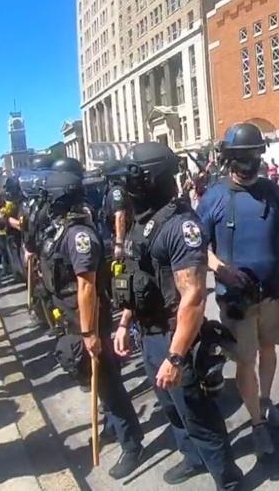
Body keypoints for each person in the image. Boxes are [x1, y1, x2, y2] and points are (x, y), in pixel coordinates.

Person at [111, 142, 242, 488]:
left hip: (175, 337)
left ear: (151, 179)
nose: (127, 188)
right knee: (172, 409)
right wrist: (125, 322)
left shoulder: (180, 226)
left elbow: (194, 297)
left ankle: (228, 480)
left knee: (196, 414)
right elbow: (138, 277)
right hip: (149, 333)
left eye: (133, 180)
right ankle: (193, 459)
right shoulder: (142, 223)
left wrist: (176, 356)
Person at [36, 170, 145, 479]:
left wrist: (89, 333)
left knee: (108, 382)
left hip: (89, 321)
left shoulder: (79, 235)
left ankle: (132, 442)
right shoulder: (62, 229)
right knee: (99, 381)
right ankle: (113, 425)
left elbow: (86, 285)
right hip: (73, 319)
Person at [197, 123, 279, 459]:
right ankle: (256, 423)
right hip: (237, 300)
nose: (249, 164)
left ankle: (265, 402)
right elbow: (198, 247)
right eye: (242, 158)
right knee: (245, 359)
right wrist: (221, 269)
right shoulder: (214, 197)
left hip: (274, 291)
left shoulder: (271, 190)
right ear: (229, 160)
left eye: (254, 156)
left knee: (269, 348)